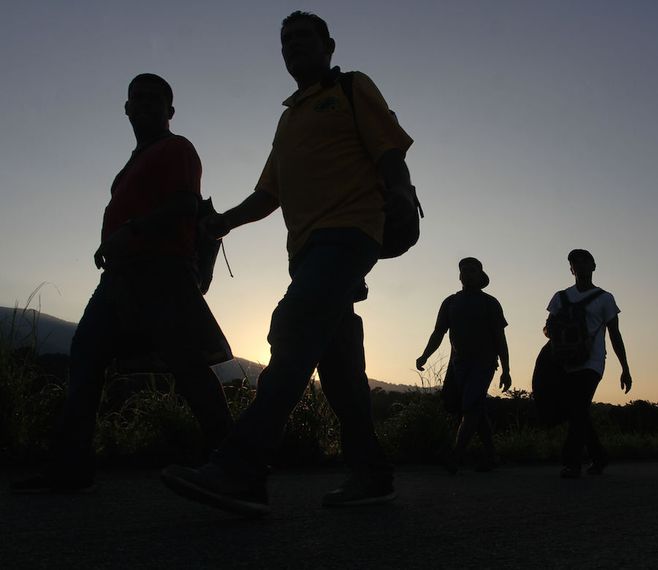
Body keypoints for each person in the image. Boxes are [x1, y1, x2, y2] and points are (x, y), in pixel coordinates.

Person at [161, 11, 415, 516]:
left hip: (349, 234)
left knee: (293, 324)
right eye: (286, 41)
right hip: (307, 252)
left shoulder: (350, 88)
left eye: (304, 37)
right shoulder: (288, 118)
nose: (293, 45)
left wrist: (403, 194)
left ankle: (241, 470)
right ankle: (372, 474)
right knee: (340, 368)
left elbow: (389, 149)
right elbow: (267, 193)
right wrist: (223, 222)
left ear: (329, 45)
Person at [11, 74, 234, 493]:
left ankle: (235, 462)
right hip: (119, 278)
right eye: (138, 98)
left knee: (187, 367)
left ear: (170, 111)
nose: (146, 104)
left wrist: (127, 232)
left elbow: (186, 204)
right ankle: (70, 467)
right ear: (126, 108)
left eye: (156, 99)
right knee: (86, 356)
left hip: (162, 273)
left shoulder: (177, 148)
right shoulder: (130, 166)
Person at [416, 258, 512, 472]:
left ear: (480, 276)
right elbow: (438, 332)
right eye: (464, 270)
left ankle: (456, 455)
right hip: (458, 364)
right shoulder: (450, 302)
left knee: (470, 405)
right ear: (459, 276)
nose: (467, 273)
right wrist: (424, 356)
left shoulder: (490, 303)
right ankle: (492, 457)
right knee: (474, 406)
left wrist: (506, 369)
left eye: (472, 270)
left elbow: (500, 337)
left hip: (484, 362)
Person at [542, 249, 632, 478]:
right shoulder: (560, 297)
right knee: (577, 410)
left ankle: (572, 462)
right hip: (563, 361)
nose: (580, 266)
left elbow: (615, 334)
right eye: (575, 263)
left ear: (594, 266)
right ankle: (599, 457)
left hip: (591, 362)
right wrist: (557, 332)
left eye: (585, 262)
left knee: (578, 407)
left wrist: (625, 368)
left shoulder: (605, 298)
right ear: (571, 269)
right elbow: (547, 327)